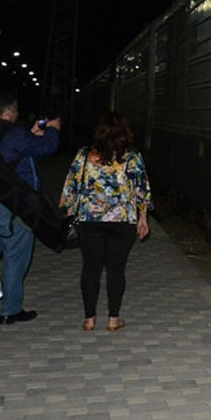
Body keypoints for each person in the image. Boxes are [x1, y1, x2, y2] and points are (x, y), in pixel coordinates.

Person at [60, 110, 152, 331]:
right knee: (116, 269)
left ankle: (89, 319)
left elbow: (70, 188)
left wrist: (69, 213)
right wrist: (143, 218)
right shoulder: (132, 158)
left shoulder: (83, 155)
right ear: (125, 133)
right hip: (123, 221)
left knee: (90, 268)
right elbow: (142, 191)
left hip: (89, 220)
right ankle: (113, 319)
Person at [0, 91, 61, 324]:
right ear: (7, 112)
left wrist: (31, 134)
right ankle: (11, 310)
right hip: (15, 205)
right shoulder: (14, 133)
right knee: (16, 256)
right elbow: (45, 148)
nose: (17, 114)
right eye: (15, 110)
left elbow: (19, 147)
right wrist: (53, 129)